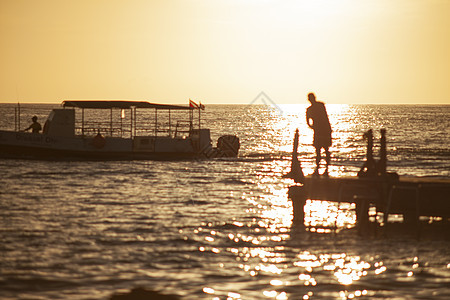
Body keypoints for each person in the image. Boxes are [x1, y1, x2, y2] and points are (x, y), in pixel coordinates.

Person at [306, 93, 332, 175]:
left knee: (324, 149)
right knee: (319, 149)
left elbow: (325, 117)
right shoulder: (312, 108)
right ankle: (319, 168)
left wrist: (312, 126)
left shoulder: (319, 106)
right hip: (320, 130)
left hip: (323, 130)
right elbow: (307, 121)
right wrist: (312, 127)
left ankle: (325, 168)